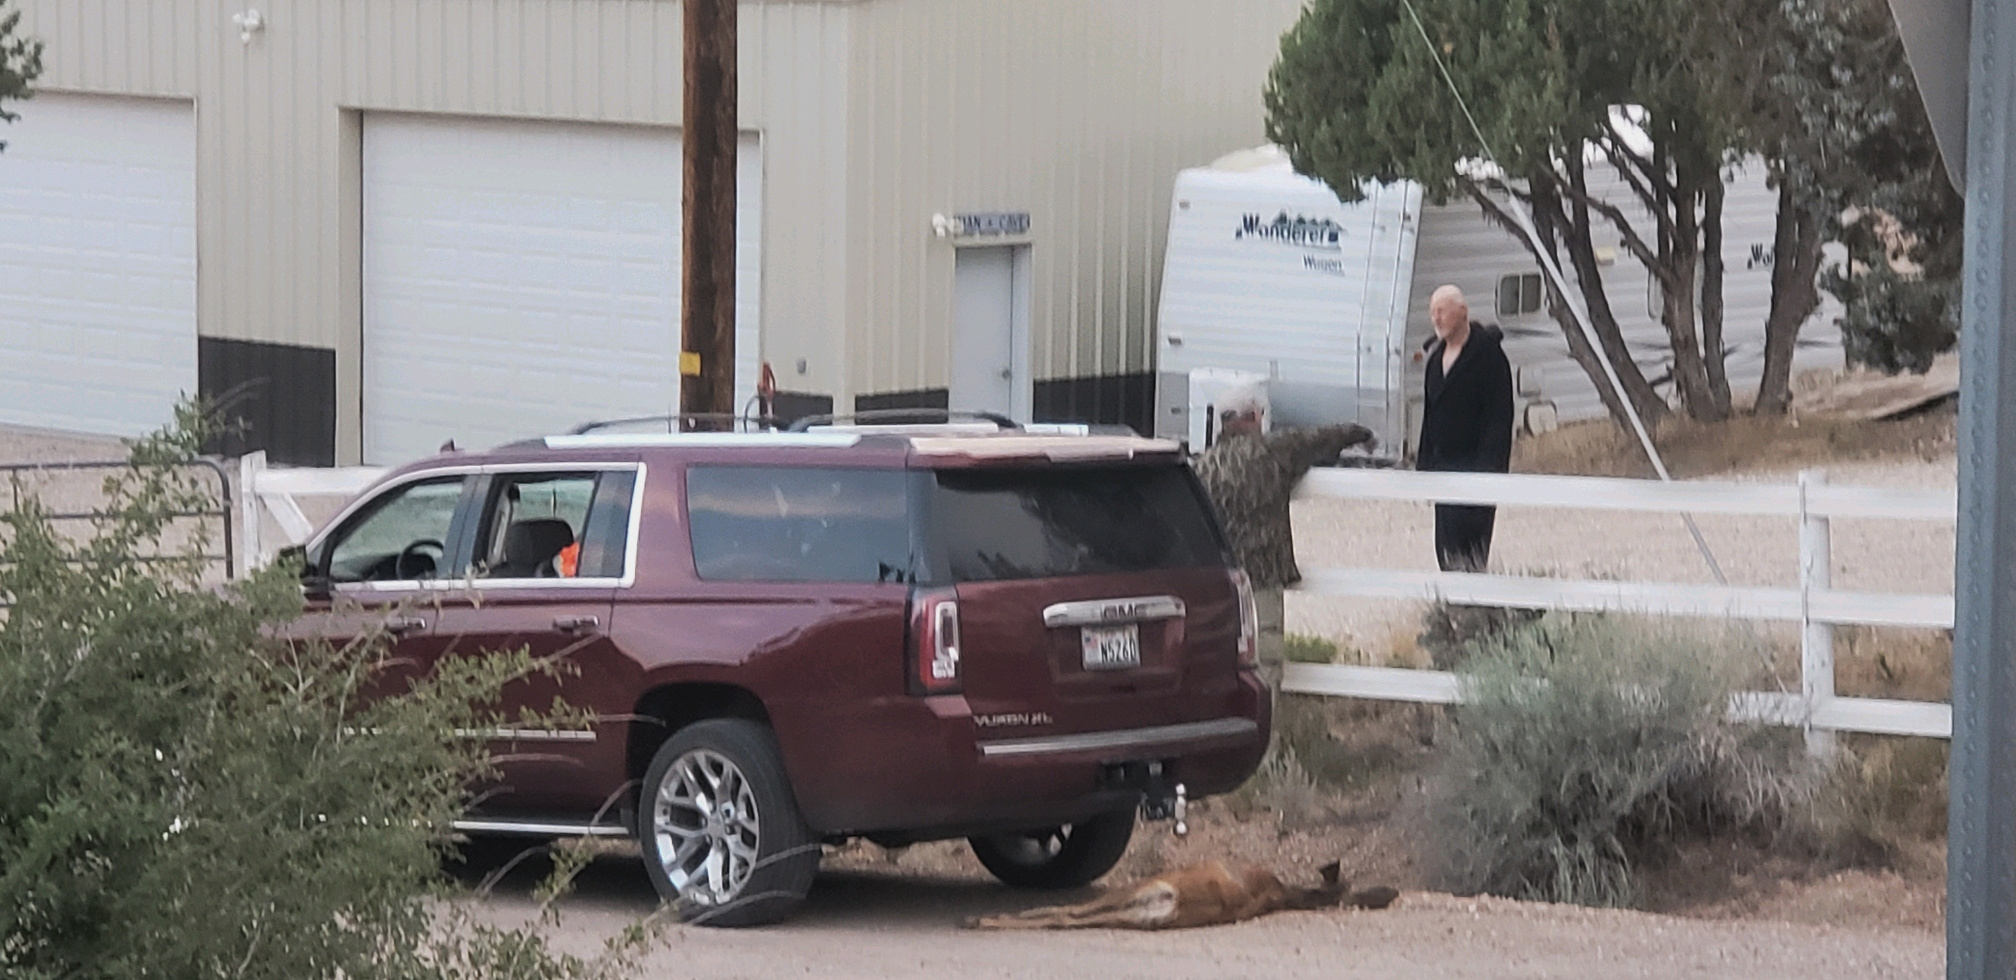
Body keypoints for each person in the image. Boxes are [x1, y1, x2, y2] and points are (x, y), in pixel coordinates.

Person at [1191, 383, 1374, 690]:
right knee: (1266, 670)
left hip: (1221, 585)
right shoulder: (1273, 452)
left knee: (1222, 672)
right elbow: (1320, 438)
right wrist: (1362, 434)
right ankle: (1265, 734)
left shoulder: (1203, 468)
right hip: (1262, 583)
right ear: (1254, 416)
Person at [1417, 285, 1515, 572]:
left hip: (1476, 470)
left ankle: (1474, 610)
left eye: (1442, 311)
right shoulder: (1435, 360)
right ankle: (1451, 610)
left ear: (1462, 312)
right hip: (1443, 469)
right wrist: (1424, 468)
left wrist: (1488, 473)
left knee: (1471, 552)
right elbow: (1429, 418)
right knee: (1445, 550)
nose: (1436, 319)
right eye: (1433, 312)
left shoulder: (1489, 357)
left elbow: (1499, 419)